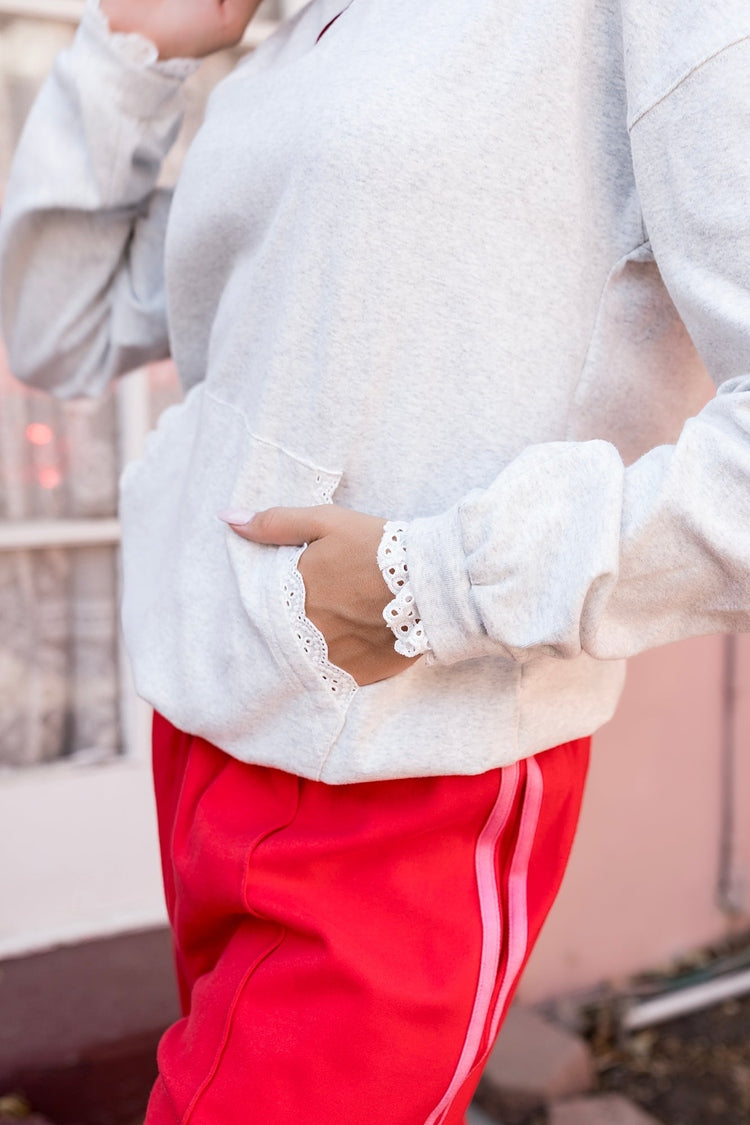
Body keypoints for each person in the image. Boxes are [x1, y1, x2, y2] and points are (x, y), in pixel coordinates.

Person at [1, 0, 750, 1120]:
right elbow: (55, 324)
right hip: (210, 736)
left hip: (415, 770)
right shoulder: (297, 32)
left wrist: (428, 585)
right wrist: (133, 46)